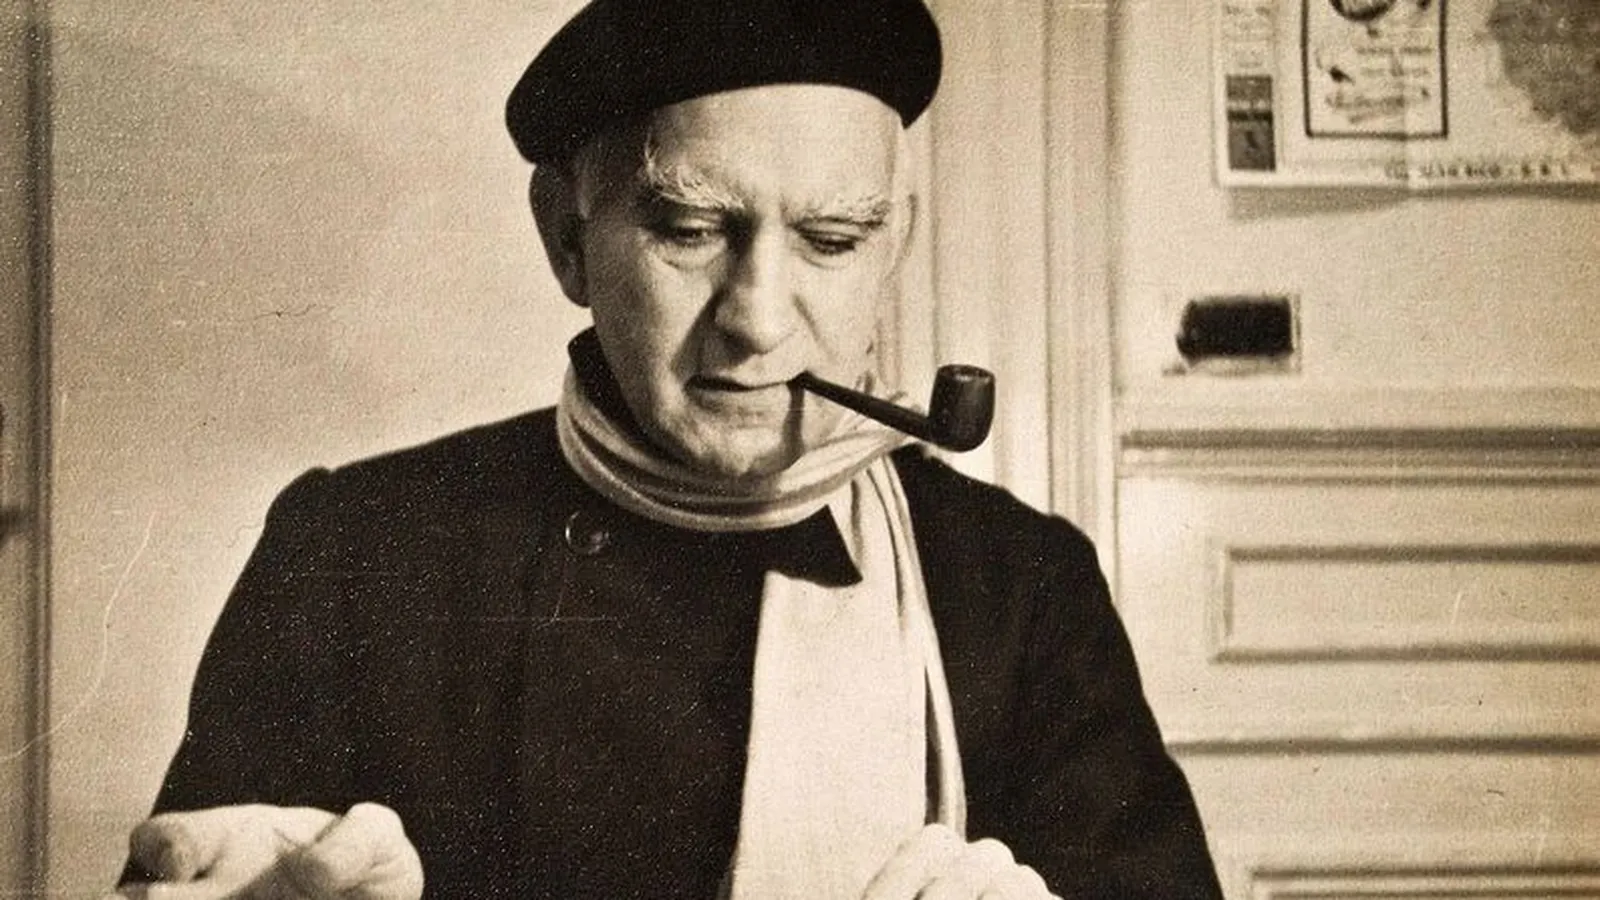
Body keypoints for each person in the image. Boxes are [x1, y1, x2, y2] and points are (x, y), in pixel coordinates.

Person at [111, 1, 1224, 898]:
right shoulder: (356, 552)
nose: (758, 319)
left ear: (894, 248)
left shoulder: (1024, 589)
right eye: (690, 230)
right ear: (566, 237)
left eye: (833, 240)